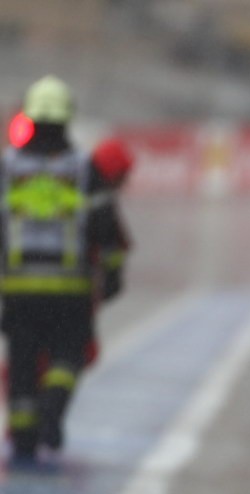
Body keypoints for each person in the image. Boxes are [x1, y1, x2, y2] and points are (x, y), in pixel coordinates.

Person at [1, 76, 130, 464]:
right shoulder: (84, 169)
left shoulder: (6, 169)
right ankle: (53, 411)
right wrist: (111, 275)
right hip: (70, 289)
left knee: (22, 360)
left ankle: (23, 433)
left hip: (18, 289)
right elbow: (106, 227)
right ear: (66, 118)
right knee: (68, 353)